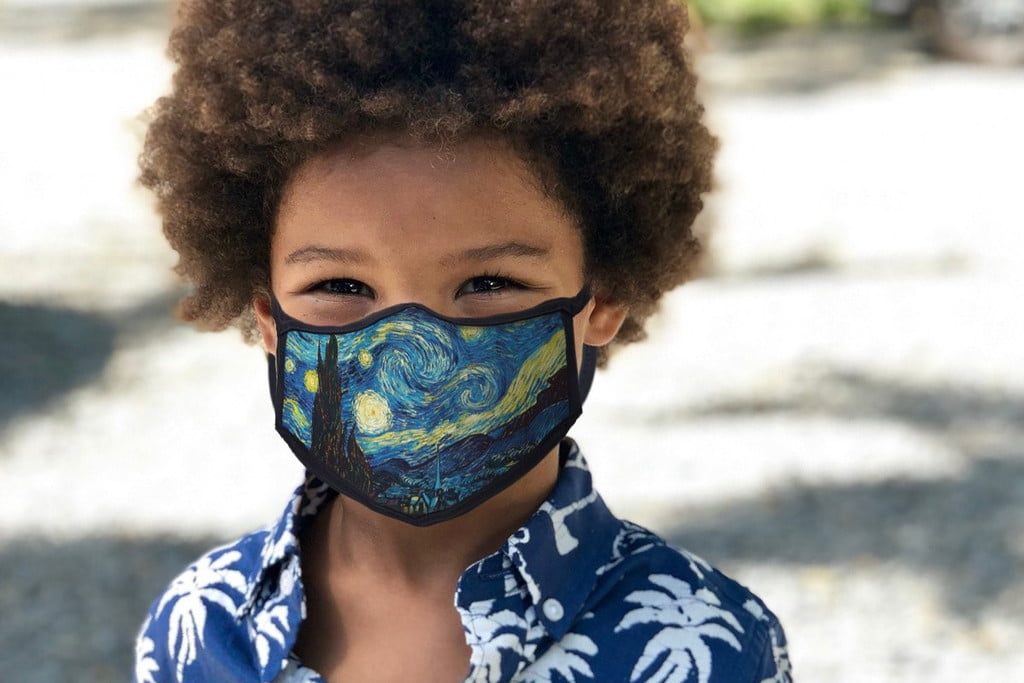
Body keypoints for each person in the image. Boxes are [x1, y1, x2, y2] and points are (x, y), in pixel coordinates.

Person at [133, 1, 792, 681]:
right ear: (269, 316)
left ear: (604, 301)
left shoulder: (710, 648)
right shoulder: (201, 631)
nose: (413, 352)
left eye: (489, 282)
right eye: (342, 285)